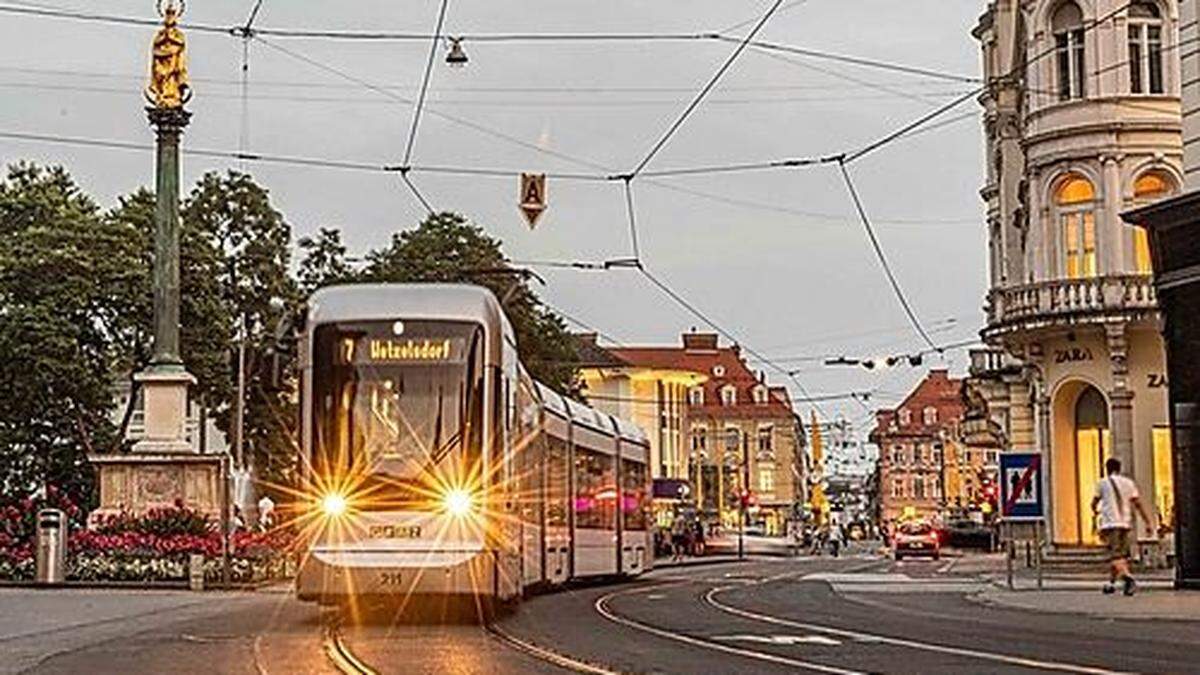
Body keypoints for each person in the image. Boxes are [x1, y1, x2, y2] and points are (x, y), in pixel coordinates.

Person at [1091, 457, 1153, 596]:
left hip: (1110, 524)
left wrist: (1095, 510)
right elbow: (1138, 504)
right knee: (1121, 555)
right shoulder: (1129, 483)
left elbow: (1094, 502)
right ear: (1119, 468)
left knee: (1115, 555)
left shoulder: (1103, 483)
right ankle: (1111, 583)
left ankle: (1128, 578)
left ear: (1106, 468)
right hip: (1125, 523)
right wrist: (1148, 522)